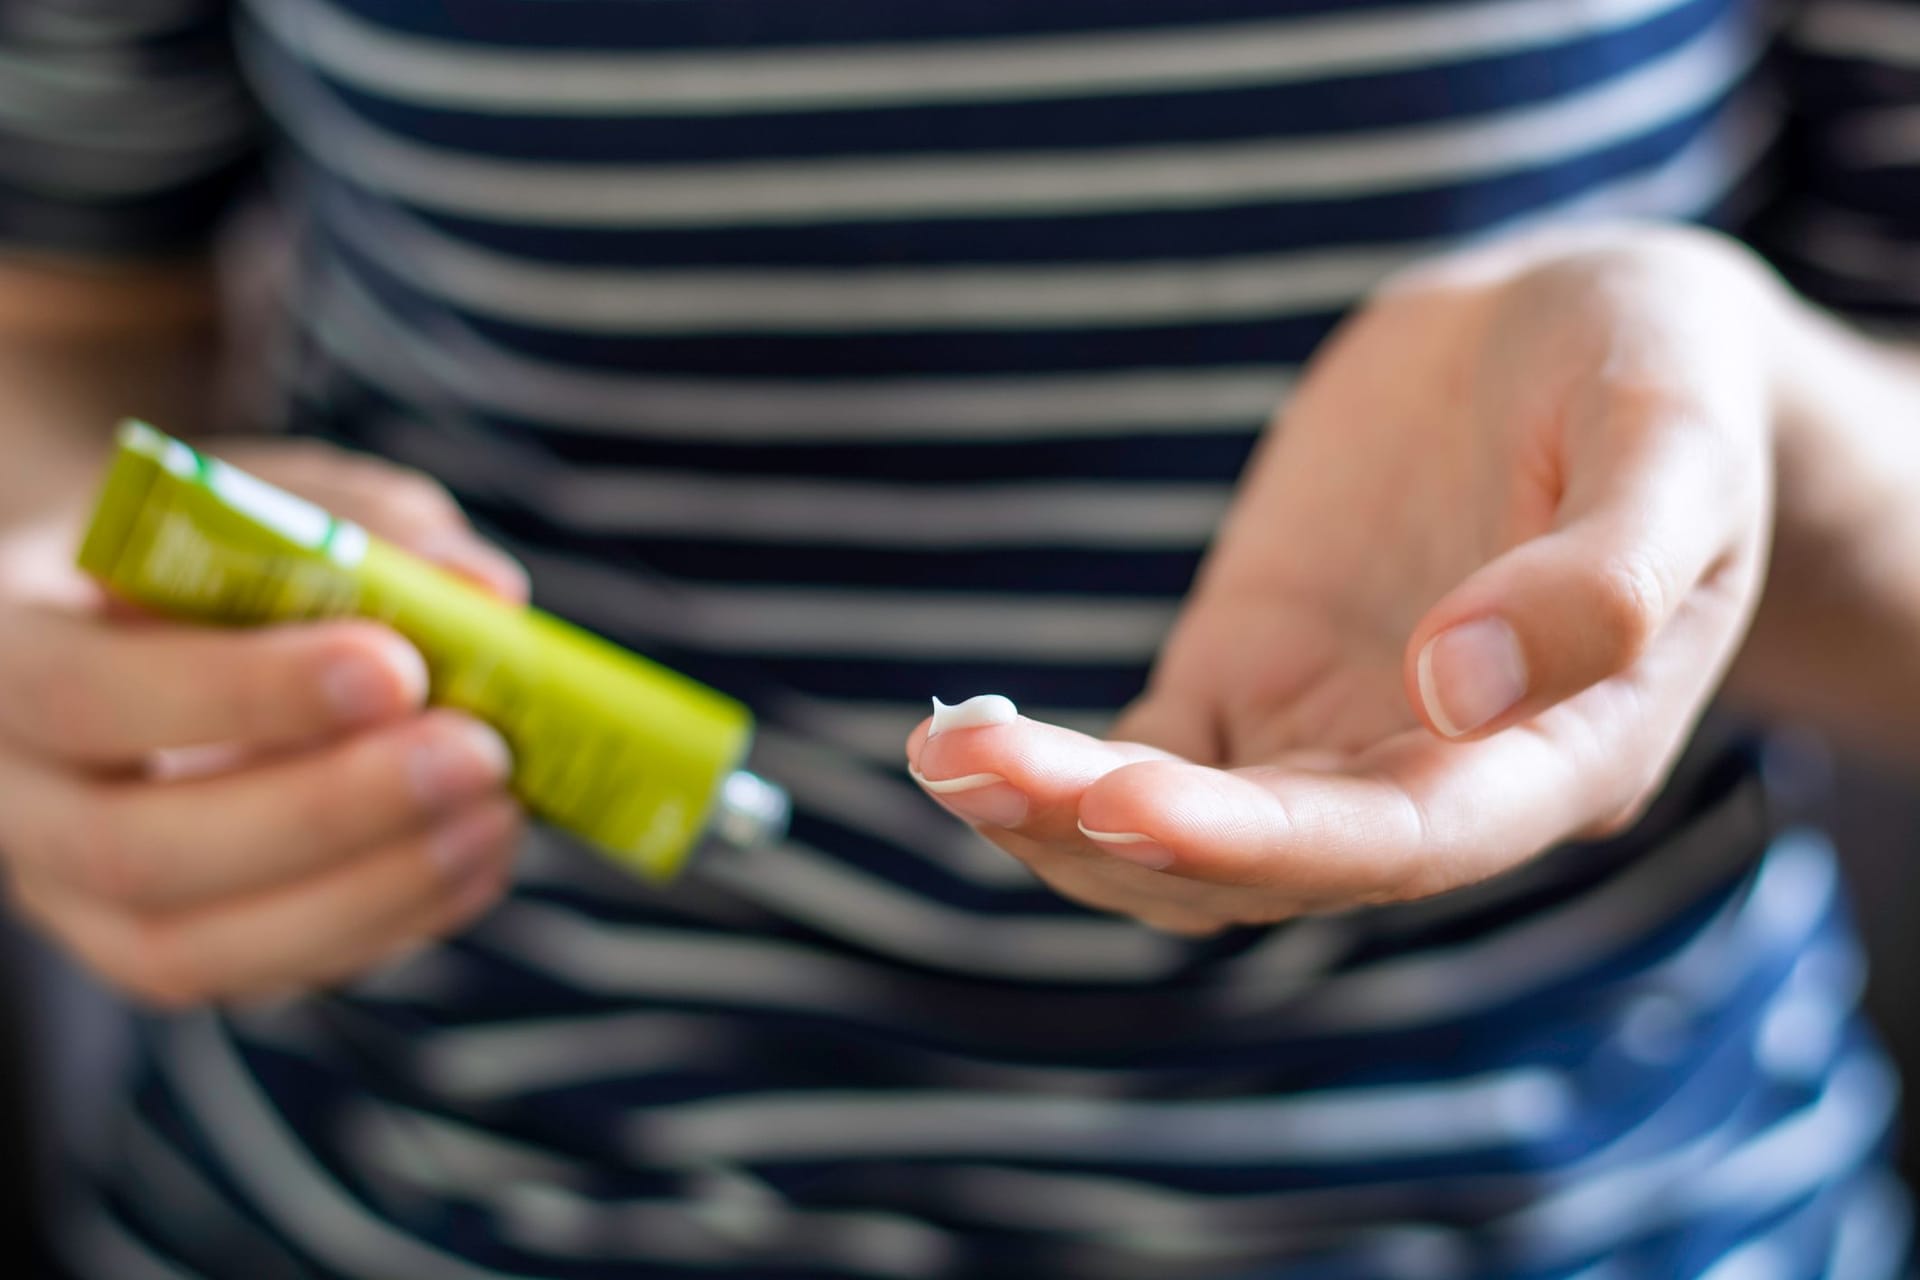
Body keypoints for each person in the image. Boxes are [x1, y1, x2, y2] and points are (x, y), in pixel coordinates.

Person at [2, 0, 1917, 1274]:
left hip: (1587, 1207)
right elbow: (62, 309)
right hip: (415, 1193)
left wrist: (1732, 426)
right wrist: (73, 627)